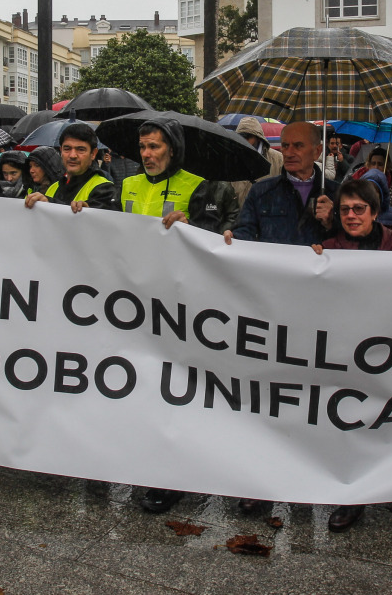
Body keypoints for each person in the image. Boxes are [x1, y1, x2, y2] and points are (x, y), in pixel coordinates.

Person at [128, 117, 237, 515]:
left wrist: (195, 228)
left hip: (180, 307)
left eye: (155, 147)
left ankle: (171, 478)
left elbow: (219, 239)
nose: (147, 155)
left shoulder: (200, 185)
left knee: (174, 392)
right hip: (136, 303)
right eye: (143, 148)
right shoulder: (128, 184)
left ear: (171, 148)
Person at [307, 179, 392, 532]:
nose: (351, 216)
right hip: (343, 349)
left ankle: (383, 482)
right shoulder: (327, 248)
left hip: (385, 348)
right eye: (344, 210)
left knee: (382, 420)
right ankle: (350, 498)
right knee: (349, 420)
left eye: (358, 209)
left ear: (374, 212)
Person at [226, 121, 338, 246]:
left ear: (317, 151)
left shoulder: (336, 194)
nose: (288, 153)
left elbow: (351, 244)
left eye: (298, 146)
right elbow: (245, 231)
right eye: (285, 145)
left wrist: (332, 222)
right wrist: (233, 237)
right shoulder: (261, 191)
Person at [24, 122, 120, 212]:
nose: (72, 155)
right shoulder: (53, 187)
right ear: (60, 151)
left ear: (93, 154)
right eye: (67, 149)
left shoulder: (105, 189)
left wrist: (50, 204)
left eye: (80, 149)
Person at [231, 117, 284, 206]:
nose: (244, 140)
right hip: (239, 217)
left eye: (248, 137)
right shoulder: (231, 159)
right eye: (241, 136)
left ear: (258, 138)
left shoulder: (278, 159)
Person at [361, 168, 392, 236]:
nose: (370, 196)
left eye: (374, 192)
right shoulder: (355, 214)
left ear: (381, 194)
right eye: (367, 191)